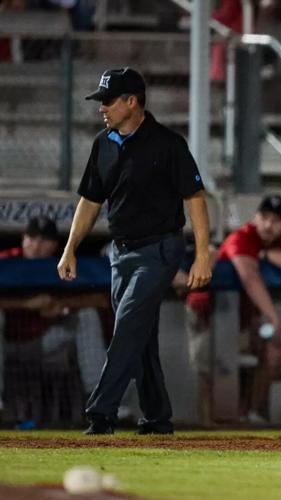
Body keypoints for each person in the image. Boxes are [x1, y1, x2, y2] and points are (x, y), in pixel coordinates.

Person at [56, 67, 213, 435]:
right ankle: (157, 417)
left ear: (132, 102)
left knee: (126, 326)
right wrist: (70, 248)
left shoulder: (168, 143)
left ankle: (101, 411)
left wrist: (202, 254)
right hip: (120, 253)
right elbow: (90, 200)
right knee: (139, 335)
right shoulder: (103, 143)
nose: (102, 108)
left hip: (160, 249)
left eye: (108, 101)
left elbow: (195, 198)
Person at [184, 195, 281, 425]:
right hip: (210, 312)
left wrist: (265, 255)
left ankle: (248, 414)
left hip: (244, 317)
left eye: (276, 220)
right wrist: (273, 318)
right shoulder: (242, 237)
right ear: (256, 217)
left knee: (273, 353)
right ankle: (208, 428)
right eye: (264, 217)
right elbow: (249, 277)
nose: (268, 225)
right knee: (211, 370)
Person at [0, 216, 106, 430]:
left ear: (55, 245)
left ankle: (100, 403)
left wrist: (61, 305)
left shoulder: (63, 264)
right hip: (6, 345)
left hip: (46, 344)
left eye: (44, 240)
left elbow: (101, 299)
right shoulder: (7, 260)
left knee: (86, 316)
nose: (37, 245)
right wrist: (27, 304)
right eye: (32, 238)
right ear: (23, 239)